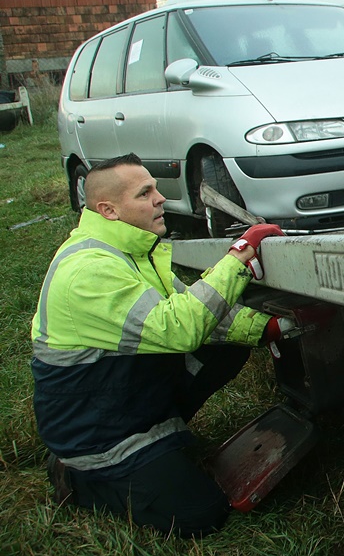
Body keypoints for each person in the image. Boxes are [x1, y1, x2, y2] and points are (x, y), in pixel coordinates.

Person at [31, 153, 295, 537]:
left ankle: (161, 437)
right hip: (99, 433)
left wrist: (267, 328)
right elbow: (181, 328)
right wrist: (241, 255)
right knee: (201, 514)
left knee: (226, 339)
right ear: (108, 210)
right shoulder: (88, 271)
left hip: (124, 400)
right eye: (145, 193)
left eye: (155, 189)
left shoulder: (133, 252)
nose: (160, 199)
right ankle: (80, 477)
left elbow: (195, 307)